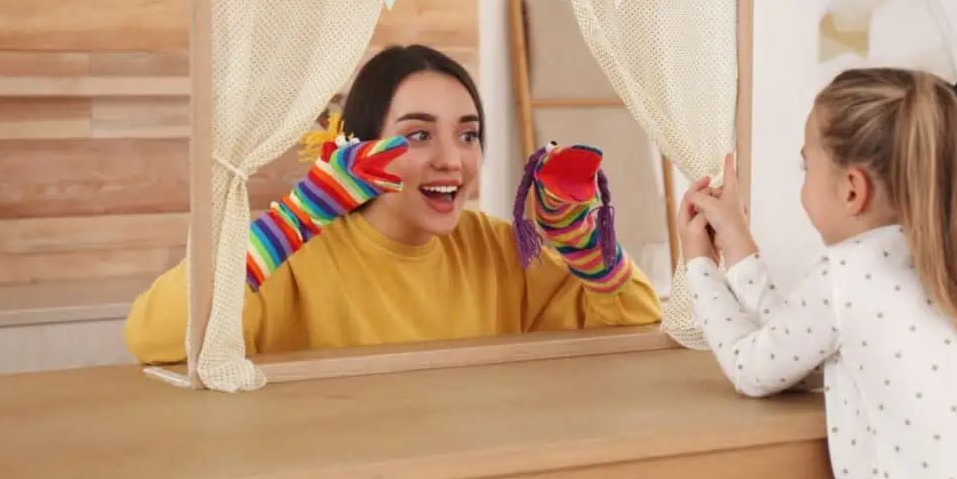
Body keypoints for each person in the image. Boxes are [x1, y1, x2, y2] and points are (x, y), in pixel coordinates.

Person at [124, 45, 662, 364]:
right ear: (359, 149)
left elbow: (634, 329)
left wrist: (594, 258)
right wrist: (297, 217)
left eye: (468, 135)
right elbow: (157, 339)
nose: (452, 160)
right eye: (420, 136)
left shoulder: (500, 248)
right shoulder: (292, 254)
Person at [676, 67, 957, 479]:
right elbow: (796, 340)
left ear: (853, 190)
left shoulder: (849, 275)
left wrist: (699, 266)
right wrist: (736, 242)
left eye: (807, 167)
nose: (803, 184)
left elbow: (752, 366)